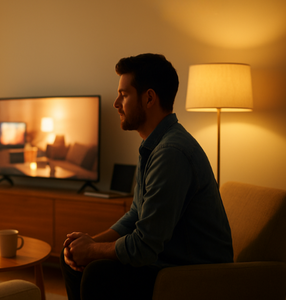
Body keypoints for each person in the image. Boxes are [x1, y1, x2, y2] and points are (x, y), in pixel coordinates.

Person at [60, 54, 233, 299]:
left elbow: (143, 246)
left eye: (124, 94)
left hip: (193, 274)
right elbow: (136, 215)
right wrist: (88, 244)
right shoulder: (154, 145)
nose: (116, 103)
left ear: (149, 98)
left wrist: (92, 251)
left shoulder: (171, 153)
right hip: (166, 260)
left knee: (98, 272)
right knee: (71, 255)